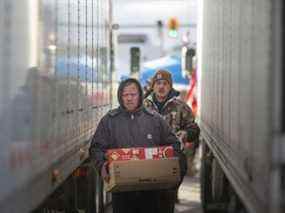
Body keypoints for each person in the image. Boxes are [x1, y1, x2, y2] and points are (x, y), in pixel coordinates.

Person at [89, 78, 187, 213]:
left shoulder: (155, 119)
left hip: (152, 193)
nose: (129, 98)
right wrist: (102, 166)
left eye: (133, 94)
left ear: (140, 95)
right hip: (122, 192)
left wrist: (168, 171)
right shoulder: (109, 121)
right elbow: (96, 148)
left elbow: (175, 146)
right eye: (125, 95)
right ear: (120, 96)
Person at [144, 69, 200, 202]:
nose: (161, 86)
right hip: (147, 160)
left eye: (165, 83)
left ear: (170, 86)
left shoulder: (181, 107)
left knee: (166, 199)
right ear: (153, 86)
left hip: (172, 159)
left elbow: (194, 128)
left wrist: (186, 133)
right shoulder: (143, 106)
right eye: (158, 83)